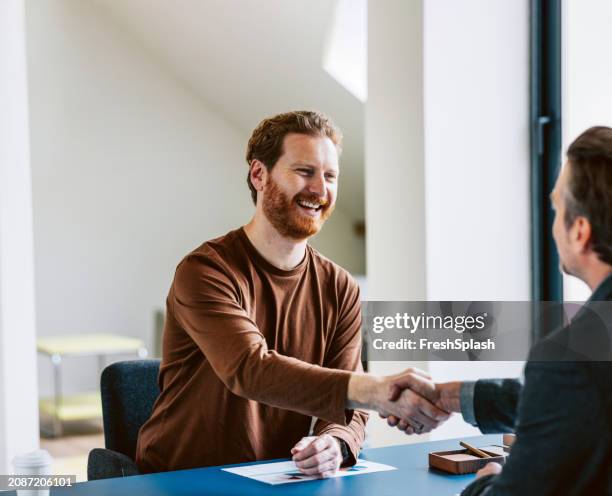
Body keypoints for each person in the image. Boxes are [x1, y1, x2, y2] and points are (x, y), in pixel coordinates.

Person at [135, 110, 449, 476]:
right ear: (259, 175)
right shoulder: (206, 271)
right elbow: (250, 369)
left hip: (280, 478)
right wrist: (377, 389)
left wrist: (335, 442)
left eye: (330, 176)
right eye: (305, 172)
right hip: (183, 480)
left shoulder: (340, 287)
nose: (320, 189)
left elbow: (350, 411)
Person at [384, 126, 612, 494]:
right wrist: (449, 396)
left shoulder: (570, 358)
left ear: (580, 231)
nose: (553, 225)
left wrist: (487, 483)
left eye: (556, 208)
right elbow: (576, 397)